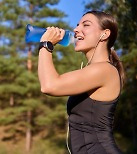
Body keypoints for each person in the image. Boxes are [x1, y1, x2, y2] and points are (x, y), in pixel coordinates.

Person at [38, 10, 125, 154]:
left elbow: (49, 86)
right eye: (77, 25)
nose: (76, 29)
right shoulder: (95, 70)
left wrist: (46, 44)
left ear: (105, 34)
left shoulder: (104, 70)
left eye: (86, 25)